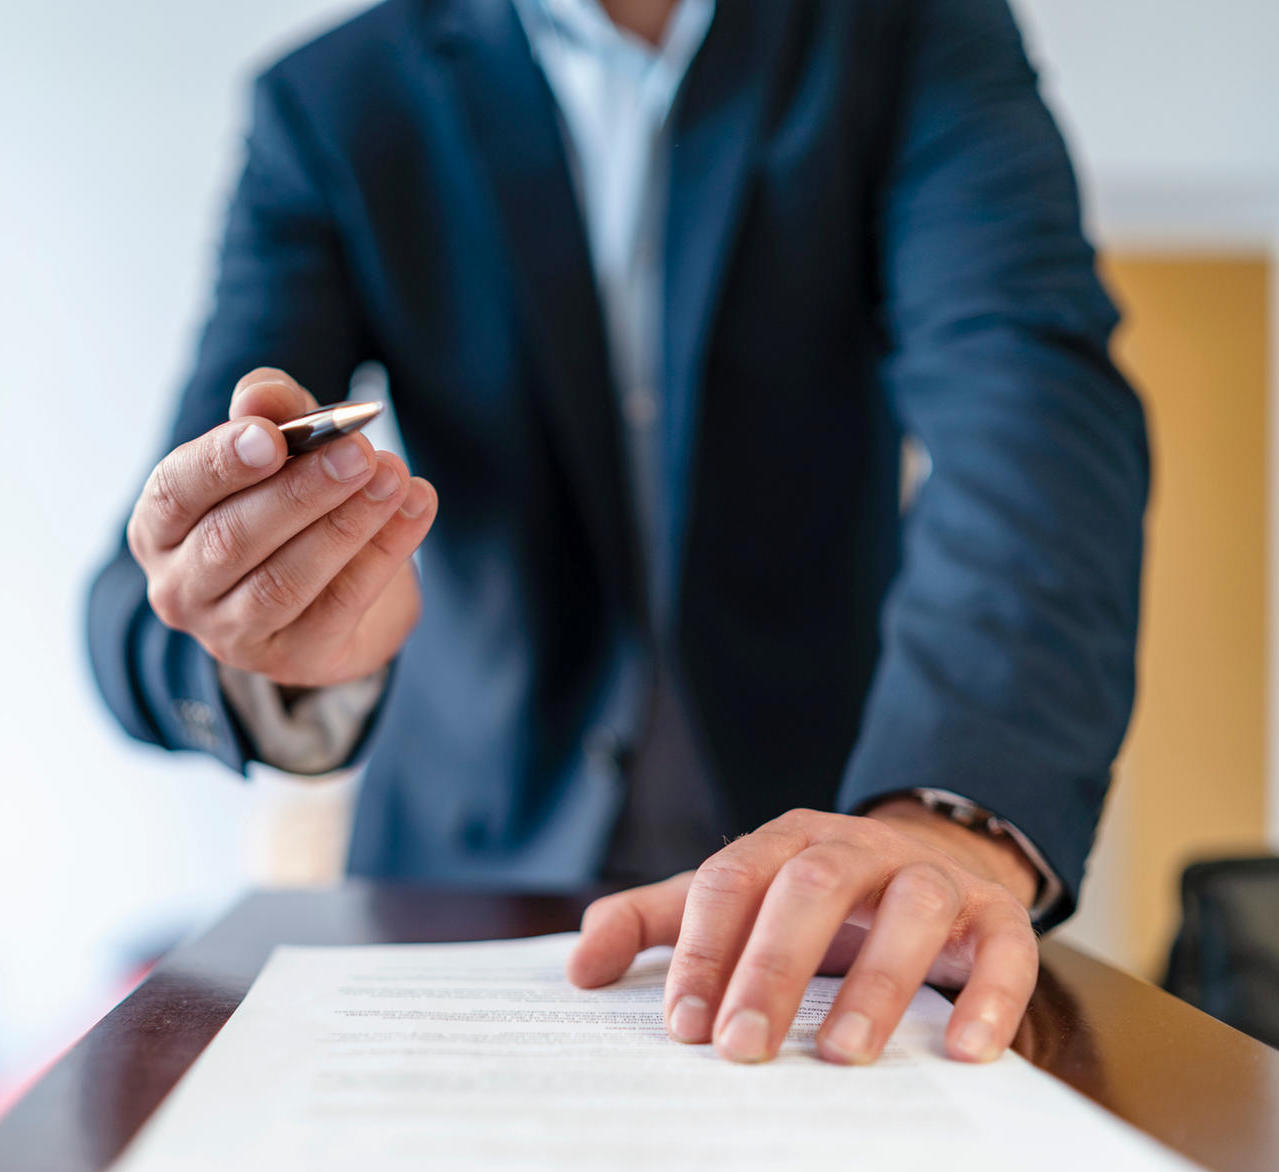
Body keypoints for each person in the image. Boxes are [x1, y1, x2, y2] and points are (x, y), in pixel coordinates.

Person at [87, 0, 1147, 1068]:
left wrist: (944, 809)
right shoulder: (329, 100)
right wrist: (289, 640)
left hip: (833, 883)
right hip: (462, 918)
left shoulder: (913, 34)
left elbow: (1031, 420)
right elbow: (148, 596)